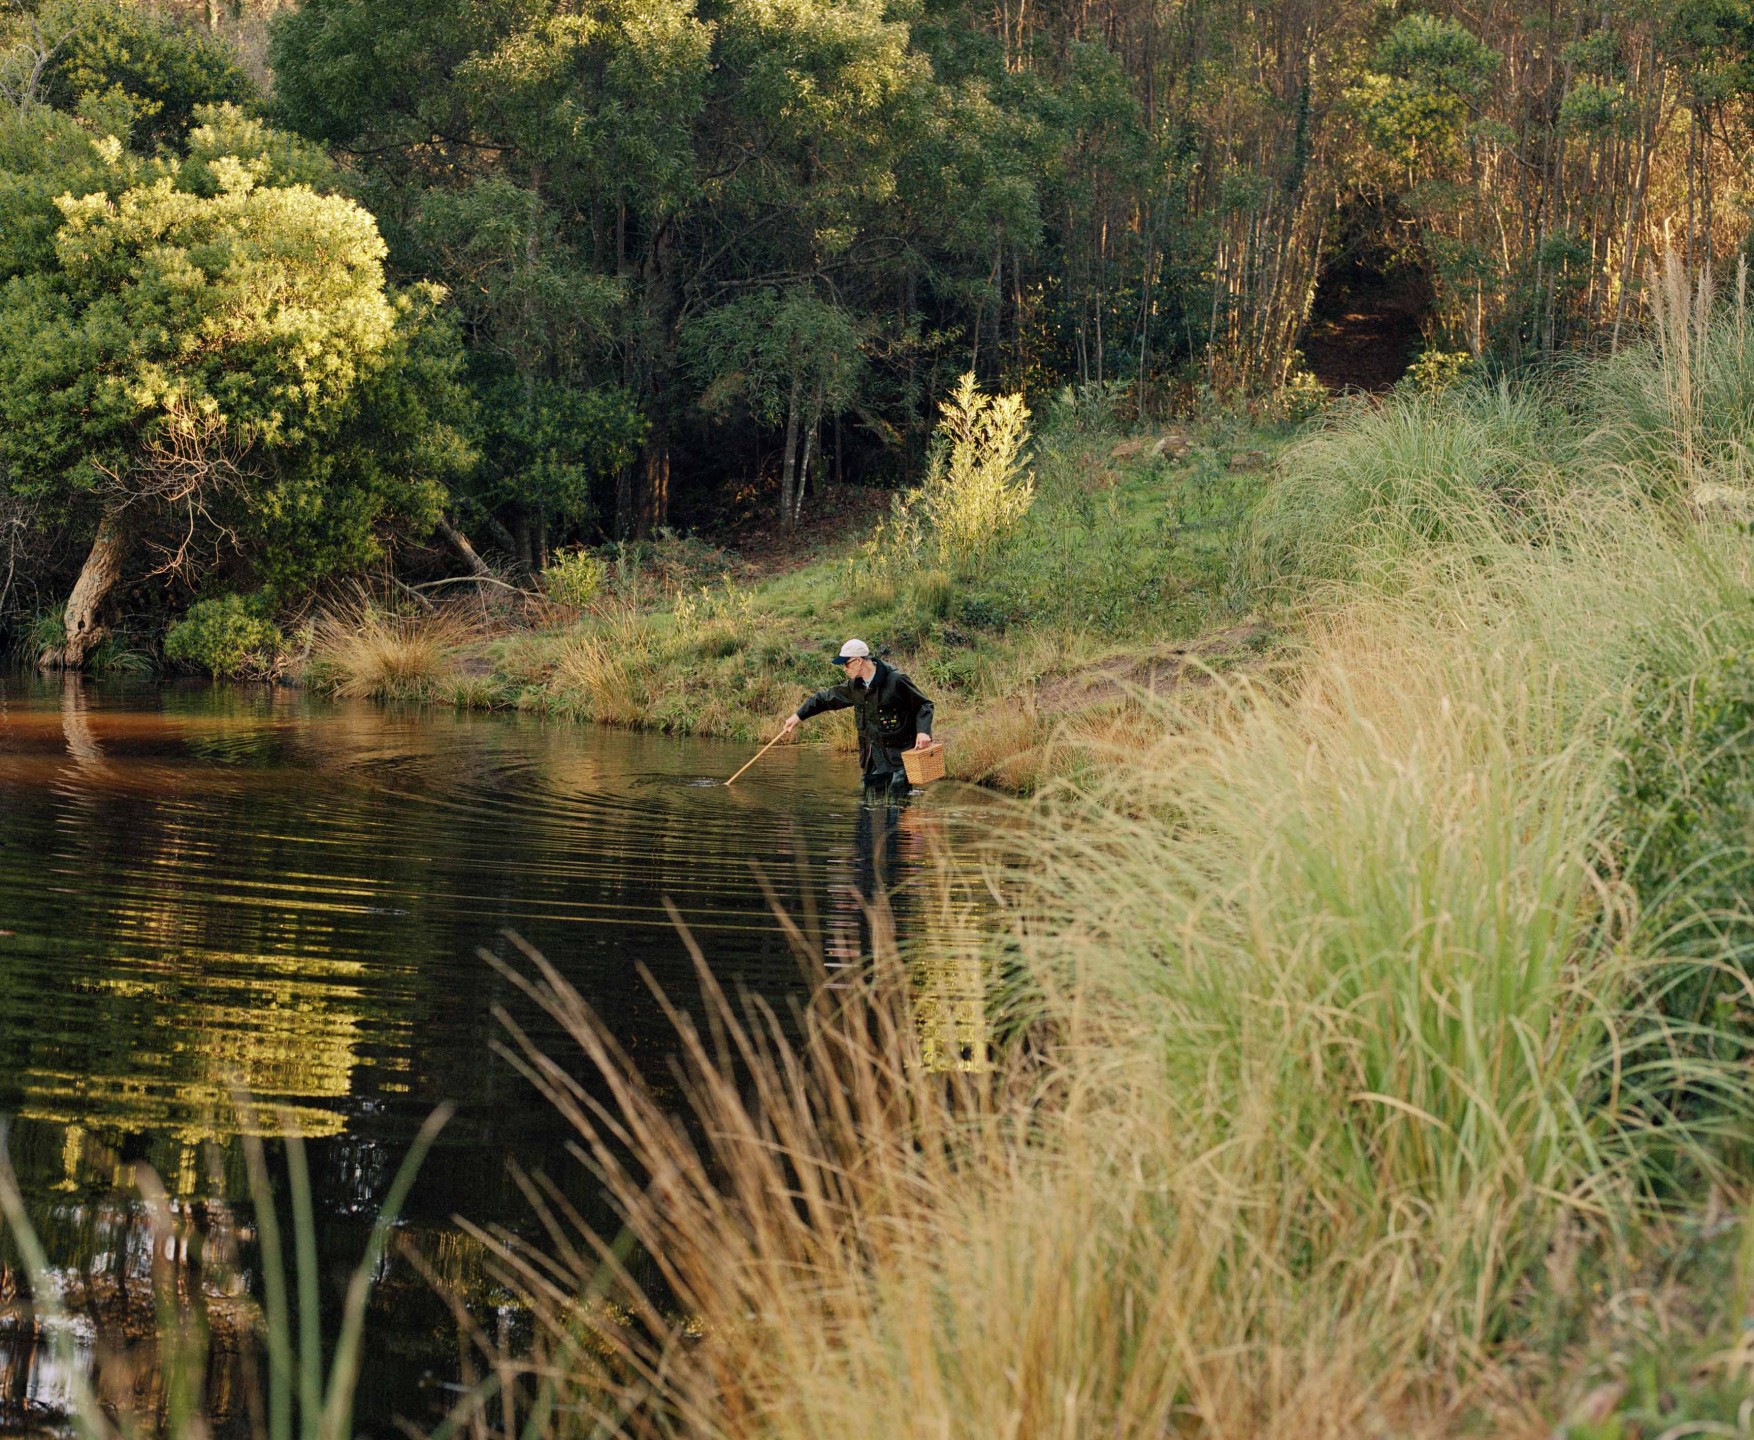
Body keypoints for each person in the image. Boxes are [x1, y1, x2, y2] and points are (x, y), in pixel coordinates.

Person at [782, 638, 934, 791]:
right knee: (866, 809)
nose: (844, 669)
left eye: (846, 664)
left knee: (897, 808)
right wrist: (798, 716)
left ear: (858, 661)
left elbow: (924, 705)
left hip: (898, 762)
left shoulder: (896, 680)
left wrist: (923, 732)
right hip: (870, 762)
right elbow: (824, 699)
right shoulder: (855, 686)